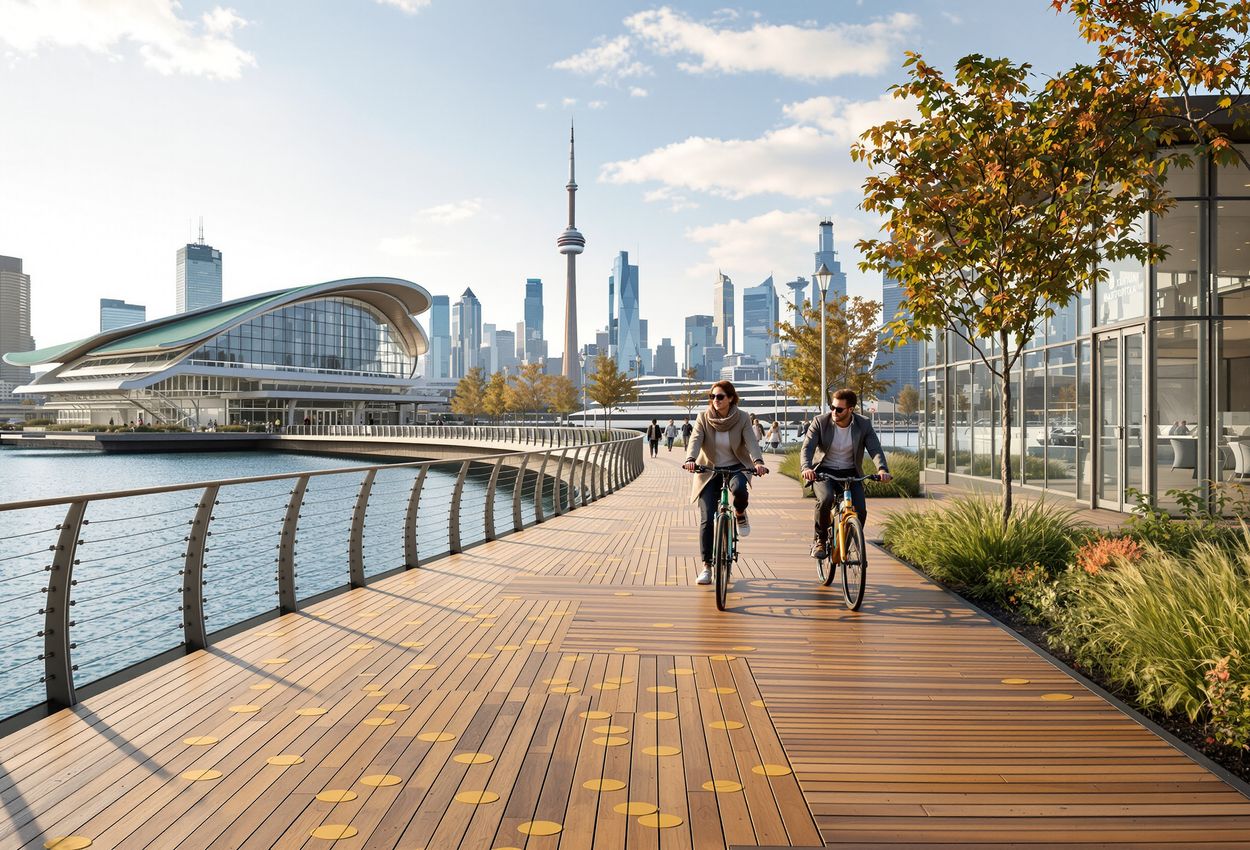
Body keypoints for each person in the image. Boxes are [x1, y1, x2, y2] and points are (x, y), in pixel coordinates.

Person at [682, 380, 769, 586]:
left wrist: (758, 462)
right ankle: (706, 566)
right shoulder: (703, 417)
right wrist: (690, 459)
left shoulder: (742, 418)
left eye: (720, 397)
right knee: (707, 518)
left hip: (735, 467)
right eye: (712, 397)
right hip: (709, 470)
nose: (715, 401)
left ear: (730, 398)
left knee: (740, 490)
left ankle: (740, 514)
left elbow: (751, 441)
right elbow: (695, 440)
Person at [801, 387, 893, 562]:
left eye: (839, 409)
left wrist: (882, 469)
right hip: (823, 472)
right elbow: (808, 448)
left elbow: (875, 448)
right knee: (826, 498)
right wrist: (807, 468)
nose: (834, 412)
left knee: (861, 510)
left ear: (851, 409)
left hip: (851, 473)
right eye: (832, 407)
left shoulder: (863, 424)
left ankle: (849, 539)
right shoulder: (820, 422)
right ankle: (820, 540)